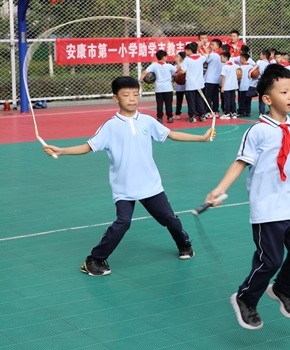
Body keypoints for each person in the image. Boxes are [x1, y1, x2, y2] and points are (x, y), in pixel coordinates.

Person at [42, 76, 215, 276]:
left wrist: (202, 138)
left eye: (135, 94)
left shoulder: (147, 120)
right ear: (116, 98)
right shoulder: (110, 126)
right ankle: (94, 260)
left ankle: (184, 244)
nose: (132, 99)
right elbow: (87, 147)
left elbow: (172, 134)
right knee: (123, 223)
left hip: (150, 184)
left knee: (169, 218)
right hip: (124, 187)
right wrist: (62, 150)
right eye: (126, 95)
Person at [204, 64, 290, 330]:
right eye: (283, 92)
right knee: (270, 260)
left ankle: (282, 289)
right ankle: (245, 297)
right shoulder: (258, 131)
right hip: (268, 207)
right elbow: (241, 162)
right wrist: (220, 188)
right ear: (267, 99)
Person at [141, 50, 176, 123]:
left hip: (158, 88)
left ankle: (160, 118)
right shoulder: (169, 66)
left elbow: (145, 72)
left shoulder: (153, 66)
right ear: (164, 57)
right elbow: (176, 71)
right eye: (166, 56)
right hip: (168, 88)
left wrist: (140, 81)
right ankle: (169, 117)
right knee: (168, 103)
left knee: (159, 104)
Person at [177, 42, 207, 123]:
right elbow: (206, 55)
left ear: (190, 50)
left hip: (190, 84)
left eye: (186, 50)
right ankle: (202, 115)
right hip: (200, 83)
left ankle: (192, 116)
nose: (185, 52)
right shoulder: (201, 58)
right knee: (200, 100)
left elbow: (182, 71)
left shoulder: (187, 60)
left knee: (191, 101)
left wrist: (176, 74)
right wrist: (200, 48)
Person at [248, 49, 271, 116]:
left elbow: (255, 67)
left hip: (256, 82)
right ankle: (262, 113)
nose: (260, 55)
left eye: (260, 54)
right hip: (264, 82)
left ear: (264, 55)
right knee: (261, 99)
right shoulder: (268, 64)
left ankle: (257, 92)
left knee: (249, 94)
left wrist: (250, 72)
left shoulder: (259, 61)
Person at [204, 38, 223, 117]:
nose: (211, 46)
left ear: (218, 46)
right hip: (217, 79)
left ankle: (209, 111)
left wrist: (203, 48)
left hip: (210, 79)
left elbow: (205, 59)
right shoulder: (221, 56)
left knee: (208, 96)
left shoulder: (213, 55)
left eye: (213, 45)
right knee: (215, 96)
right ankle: (215, 111)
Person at [220, 51, 238, 119]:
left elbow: (223, 77)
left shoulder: (225, 67)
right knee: (232, 100)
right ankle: (233, 113)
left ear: (225, 58)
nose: (221, 59)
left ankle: (227, 113)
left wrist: (222, 87)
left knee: (227, 100)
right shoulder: (234, 65)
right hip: (233, 85)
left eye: (221, 57)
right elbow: (239, 68)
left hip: (227, 86)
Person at [237, 52, 254, 117]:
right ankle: (247, 112)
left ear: (243, 58)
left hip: (243, 86)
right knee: (248, 100)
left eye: (240, 58)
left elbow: (238, 77)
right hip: (250, 86)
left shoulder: (240, 67)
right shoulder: (252, 67)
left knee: (242, 100)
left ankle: (241, 111)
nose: (239, 59)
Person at [174, 51, 186, 120]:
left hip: (187, 86)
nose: (176, 58)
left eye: (177, 57)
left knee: (190, 100)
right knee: (179, 101)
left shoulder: (185, 65)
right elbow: (175, 72)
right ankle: (177, 113)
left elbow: (179, 71)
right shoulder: (176, 66)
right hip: (179, 86)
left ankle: (193, 113)